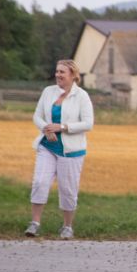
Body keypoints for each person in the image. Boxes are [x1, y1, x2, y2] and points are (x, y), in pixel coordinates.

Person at [25, 60, 94, 239]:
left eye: (62, 72)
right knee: (39, 182)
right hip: (47, 147)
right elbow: (37, 116)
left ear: (73, 75)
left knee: (68, 189)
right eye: (57, 71)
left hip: (71, 151)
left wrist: (62, 127)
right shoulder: (48, 92)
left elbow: (88, 123)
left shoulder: (82, 96)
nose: (58, 75)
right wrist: (46, 129)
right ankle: (35, 223)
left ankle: (67, 226)